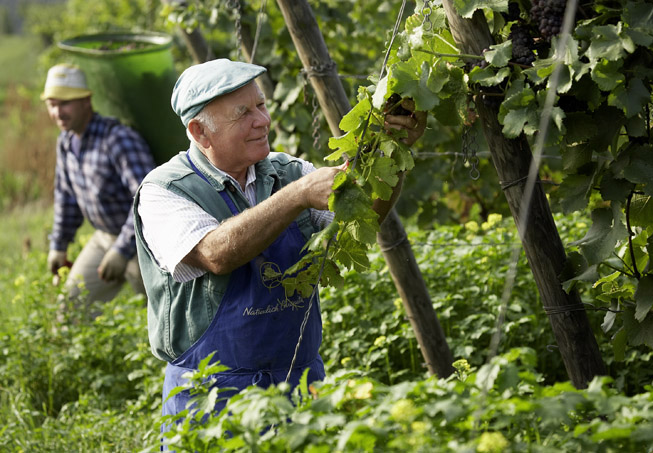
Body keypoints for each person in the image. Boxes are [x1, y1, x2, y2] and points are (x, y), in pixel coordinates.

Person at [133, 58, 426, 420]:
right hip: (210, 398)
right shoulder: (165, 191)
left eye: (261, 105)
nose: (263, 120)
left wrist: (394, 151)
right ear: (200, 132)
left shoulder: (288, 171)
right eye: (243, 114)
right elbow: (214, 254)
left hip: (298, 388)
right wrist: (298, 195)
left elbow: (359, 220)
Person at [42, 63, 156, 309]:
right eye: (52, 104)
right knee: (71, 307)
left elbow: (148, 198)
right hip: (104, 238)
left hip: (144, 241)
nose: (58, 112)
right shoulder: (66, 142)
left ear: (86, 101)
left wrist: (122, 250)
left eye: (65, 103)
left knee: (160, 317)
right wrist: (59, 247)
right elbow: (66, 198)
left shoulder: (117, 139)